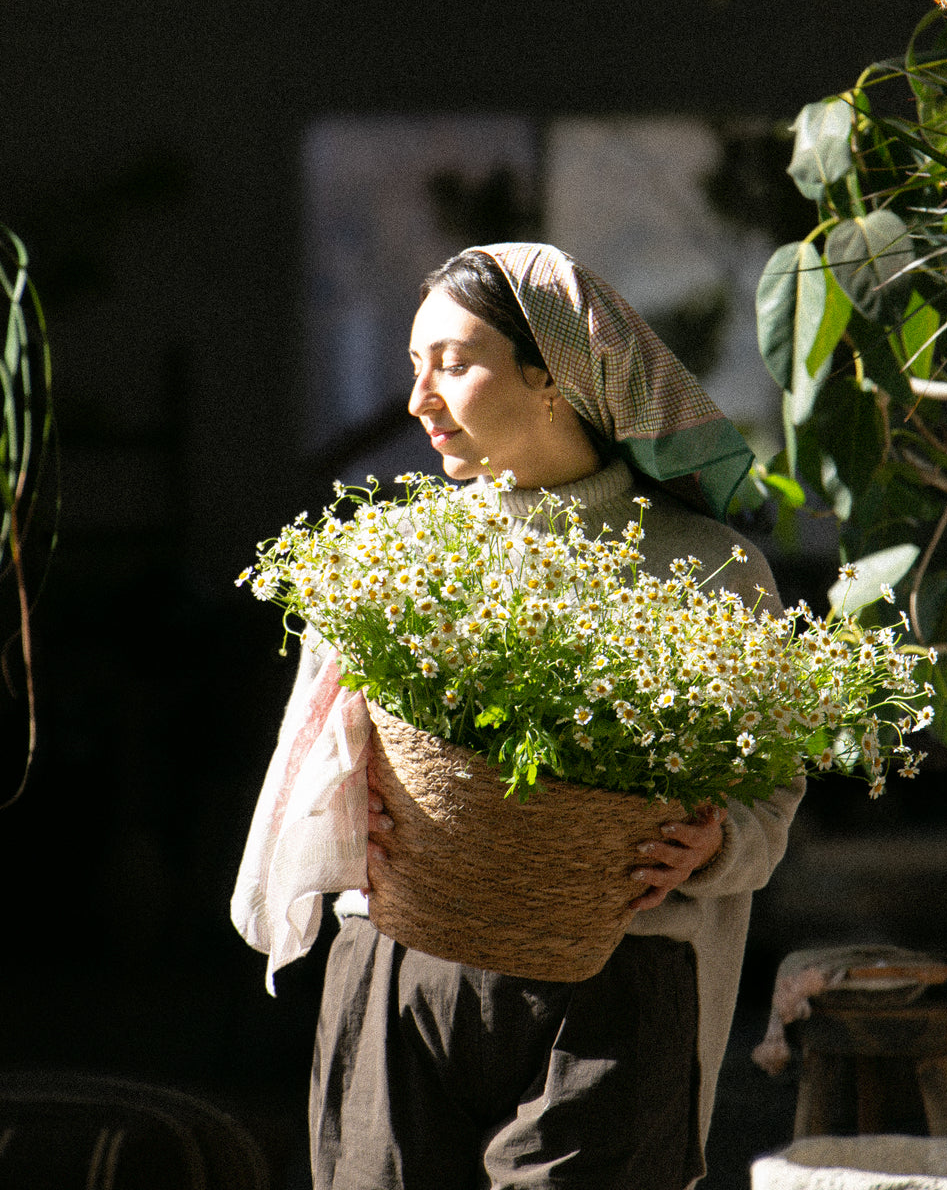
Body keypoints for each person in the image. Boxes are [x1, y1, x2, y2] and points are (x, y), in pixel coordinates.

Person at [307, 242, 804, 1190]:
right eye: (415, 366)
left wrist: (716, 843)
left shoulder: (706, 566)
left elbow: (770, 793)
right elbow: (313, 766)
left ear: (557, 378)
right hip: (401, 976)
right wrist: (339, 817)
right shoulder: (391, 557)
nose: (419, 399)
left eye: (452, 362)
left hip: (617, 991)